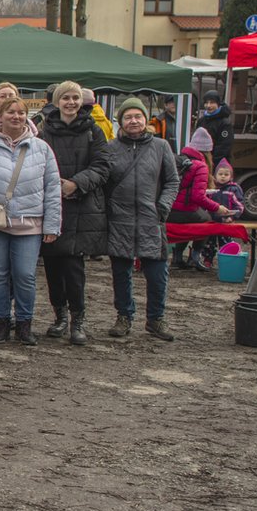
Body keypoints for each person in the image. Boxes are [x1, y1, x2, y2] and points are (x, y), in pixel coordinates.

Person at [0, 95, 63, 345]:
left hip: (29, 221)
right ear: (1, 114)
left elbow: (52, 188)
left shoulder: (41, 148)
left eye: (21, 112)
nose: (16, 117)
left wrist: (52, 225)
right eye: (11, 112)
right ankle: (1, 322)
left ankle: (25, 324)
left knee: (25, 275)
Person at [38, 81, 110, 346]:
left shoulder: (93, 130)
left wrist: (76, 183)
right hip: (52, 205)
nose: (71, 102)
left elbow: (103, 166)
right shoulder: (44, 131)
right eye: (66, 98)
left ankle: (78, 318)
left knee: (73, 268)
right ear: (57, 101)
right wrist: (54, 185)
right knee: (53, 266)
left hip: (82, 206)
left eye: (75, 98)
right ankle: (60, 316)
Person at [103, 98, 180, 341]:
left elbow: (172, 181)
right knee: (120, 273)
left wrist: (163, 207)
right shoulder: (110, 148)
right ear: (120, 122)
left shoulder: (160, 146)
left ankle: (156, 319)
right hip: (120, 219)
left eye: (138, 116)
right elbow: (103, 182)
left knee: (158, 273)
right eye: (128, 117)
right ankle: (124, 316)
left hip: (151, 219)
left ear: (146, 120)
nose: (133, 121)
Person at [168, 125, 228, 268]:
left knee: (193, 218)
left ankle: (177, 256)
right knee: (207, 219)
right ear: (208, 151)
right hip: (183, 210)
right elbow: (198, 197)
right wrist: (217, 208)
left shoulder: (179, 159)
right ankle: (195, 255)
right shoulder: (200, 166)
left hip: (168, 209)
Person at [198, 89, 235, 165]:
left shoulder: (225, 123)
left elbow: (224, 146)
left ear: (218, 104)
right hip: (202, 162)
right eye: (206, 103)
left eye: (212, 103)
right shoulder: (201, 120)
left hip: (218, 164)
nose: (208, 106)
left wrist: (212, 162)